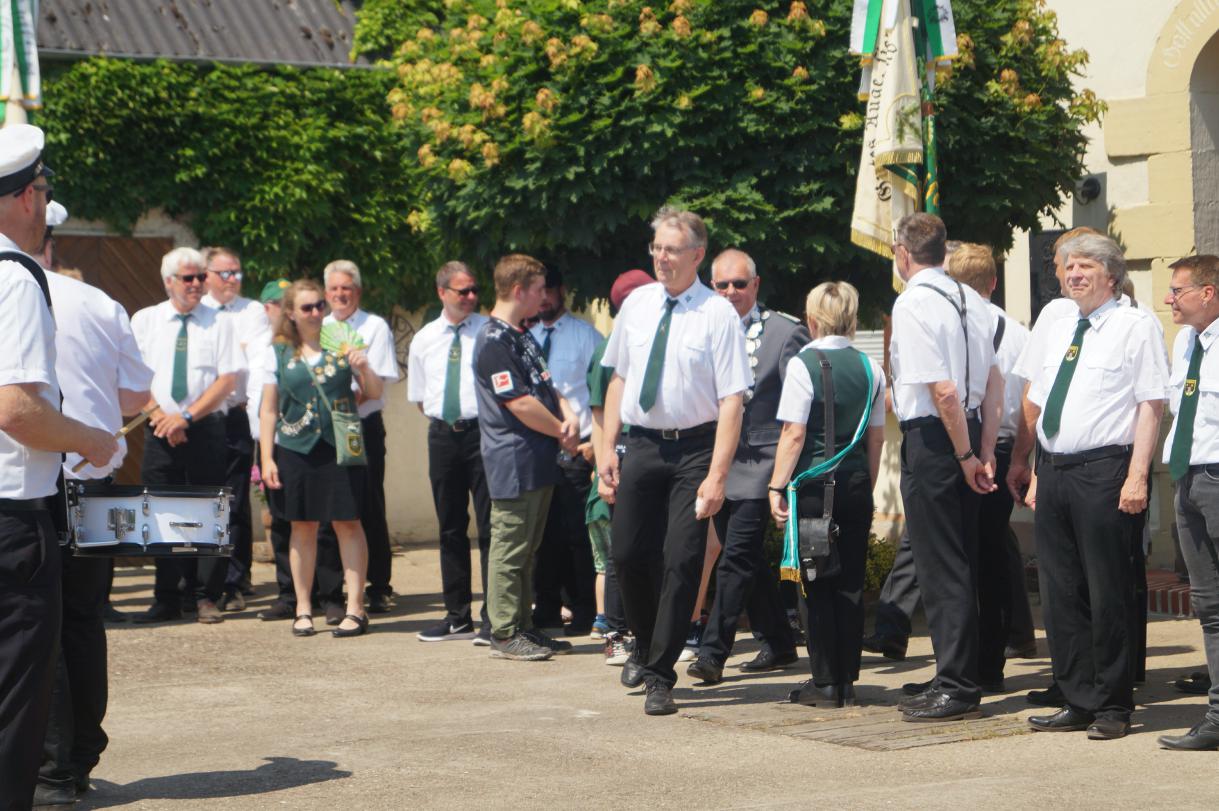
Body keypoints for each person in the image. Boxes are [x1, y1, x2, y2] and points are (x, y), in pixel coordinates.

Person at [0, 123, 117, 811]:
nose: (44, 202)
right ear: (25, 197)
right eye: (42, 189)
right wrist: (91, 439)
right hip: (14, 518)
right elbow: (17, 411)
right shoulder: (15, 279)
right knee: (17, 704)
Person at [598, 207, 751, 715]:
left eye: (671, 250)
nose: (661, 258)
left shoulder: (717, 314)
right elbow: (619, 379)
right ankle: (644, 647)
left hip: (696, 448)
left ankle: (661, 675)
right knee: (626, 554)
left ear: (697, 255)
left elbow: (732, 399)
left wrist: (717, 475)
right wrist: (608, 447)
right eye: (657, 248)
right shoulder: (637, 304)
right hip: (642, 443)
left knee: (683, 559)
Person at [1022, 233, 1167, 740]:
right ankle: (1076, 697)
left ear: (1111, 275)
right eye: (1069, 267)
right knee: (1060, 593)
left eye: (1085, 267)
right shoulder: (1062, 324)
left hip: (1105, 471)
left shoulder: (1135, 326)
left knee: (1108, 591)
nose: (1073, 275)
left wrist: (1138, 475)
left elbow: (1151, 404)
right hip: (1056, 471)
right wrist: (1036, 471)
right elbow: (1043, 403)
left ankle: (1113, 704)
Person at [32, 201, 152, 805]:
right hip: (93, 484)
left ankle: (50, 773)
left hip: (32, 486)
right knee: (83, 621)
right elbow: (136, 396)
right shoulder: (99, 302)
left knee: (37, 628)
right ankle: (78, 758)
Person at [888, 212, 1004, 723]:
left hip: (938, 441)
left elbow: (944, 391)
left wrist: (963, 455)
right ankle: (956, 672)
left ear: (902, 253)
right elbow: (994, 383)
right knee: (960, 560)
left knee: (941, 566)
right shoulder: (971, 299)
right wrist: (984, 449)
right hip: (967, 433)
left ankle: (957, 685)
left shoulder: (914, 301)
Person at [686, 249, 805, 686]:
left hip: (761, 464)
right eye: (722, 285)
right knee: (747, 558)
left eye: (740, 284)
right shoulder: (699, 328)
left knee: (735, 557)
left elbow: (799, 405)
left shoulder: (785, 332)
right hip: (716, 461)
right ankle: (779, 640)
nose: (731, 292)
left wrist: (785, 473)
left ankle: (712, 652)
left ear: (755, 285)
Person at [768, 281, 885, 706]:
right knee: (850, 583)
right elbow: (876, 438)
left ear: (812, 318)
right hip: (855, 484)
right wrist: (867, 484)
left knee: (815, 582)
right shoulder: (872, 367)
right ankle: (848, 680)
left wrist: (776, 486)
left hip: (814, 488)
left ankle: (825, 681)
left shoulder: (803, 364)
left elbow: (793, 434)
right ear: (851, 318)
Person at [259, 280, 381, 638]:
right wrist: (267, 458)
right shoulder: (277, 352)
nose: (316, 313)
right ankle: (302, 608)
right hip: (296, 448)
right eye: (307, 307)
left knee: (348, 523)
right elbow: (269, 410)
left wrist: (364, 368)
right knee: (302, 526)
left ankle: (356, 608)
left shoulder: (341, 343)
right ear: (291, 313)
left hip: (339, 447)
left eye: (319, 306)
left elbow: (374, 393)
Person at [472, 254, 579, 660]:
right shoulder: (493, 341)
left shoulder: (521, 335)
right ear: (518, 291)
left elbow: (547, 387)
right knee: (510, 548)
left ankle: (523, 626)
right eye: (537, 289)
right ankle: (503, 632)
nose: (544, 297)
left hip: (537, 458)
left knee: (527, 548)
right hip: (513, 461)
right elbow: (517, 402)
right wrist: (561, 430)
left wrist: (566, 416)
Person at [130, 247, 242, 624]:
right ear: (168, 282)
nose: (197, 284)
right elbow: (132, 377)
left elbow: (227, 380)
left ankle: (206, 597)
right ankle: (167, 597)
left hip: (205, 427)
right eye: (188, 278)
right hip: (159, 427)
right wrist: (162, 417)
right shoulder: (145, 320)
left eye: (201, 277)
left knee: (208, 510)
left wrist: (186, 417)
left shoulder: (220, 322)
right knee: (162, 512)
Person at [407, 261, 493, 643]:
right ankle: (457, 616)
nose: (471, 296)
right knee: (450, 527)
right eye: (463, 291)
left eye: (474, 289)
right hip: (444, 435)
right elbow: (421, 398)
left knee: (491, 527)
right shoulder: (424, 338)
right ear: (442, 292)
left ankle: (494, 618)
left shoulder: (489, 331)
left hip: (483, 435)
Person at [1157, 255, 1219, 750]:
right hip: (1188, 478)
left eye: (1177, 291)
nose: (1168, 299)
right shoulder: (1185, 342)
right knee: (1209, 604)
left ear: (1208, 292)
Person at [316, 260, 400, 619]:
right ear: (325, 293)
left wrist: (344, 407)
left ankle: (378, 587)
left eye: (346, 288)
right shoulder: (318, 327)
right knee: (327, 511)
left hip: (361, 425)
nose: (340, 294)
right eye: (334, 288)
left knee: (369, 506)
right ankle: (331, 593)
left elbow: (376, 381)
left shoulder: (374, 326)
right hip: (325, 429)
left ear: (358, 292)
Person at [528, 266, 603, 635]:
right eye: (538, 291)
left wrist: (594, 446)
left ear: (562, 291)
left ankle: (585, 608)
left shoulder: (585, 336)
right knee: (543, 535)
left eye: (549, 290)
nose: (543, 298)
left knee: (578, 536)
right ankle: (545, 608)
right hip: (540, 450)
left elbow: (602, 392)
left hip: (578, 451)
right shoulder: (525, 339)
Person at [587, 269, 653, 663]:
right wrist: (603, 467)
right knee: (621, 547)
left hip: (651, 450)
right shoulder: (607, 351)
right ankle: (615, 632)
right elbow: (598, 416)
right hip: (622, 452)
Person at [201, 246, 271, 612]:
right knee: (201, 498)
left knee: (236, 500)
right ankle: (198, 582)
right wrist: (234, 352)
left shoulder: (252, 311)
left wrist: (228, 355)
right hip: (200, 416)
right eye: (225, 273)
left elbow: (250, 361)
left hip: (235, 414)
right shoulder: (198, 310)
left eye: (237, 273)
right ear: (207, 275)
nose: (232, 280)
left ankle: (234, 581)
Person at [248, 279, 298, 622]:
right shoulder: (254, 345)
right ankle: (288, 594)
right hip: (266, 442)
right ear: (267, 308)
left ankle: (325, 592)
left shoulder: (303, 342)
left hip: (299, 440)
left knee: (314, 520)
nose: (285, 310)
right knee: (280, 520)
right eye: (280, 303)